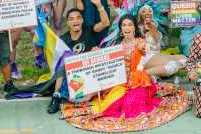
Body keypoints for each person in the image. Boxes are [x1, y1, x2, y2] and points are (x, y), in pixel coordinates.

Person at [59, 15, 190, 132]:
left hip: (139, 81)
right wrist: (97, 51)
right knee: (112, 100)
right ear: (121, 29)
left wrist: (146, 48)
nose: (126, 27)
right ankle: (89, 95)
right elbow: (109, 64)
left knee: (131, 104)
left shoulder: (140, 42)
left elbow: (146, 46)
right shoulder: (116, 45)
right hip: (122, 81)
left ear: (134, 28)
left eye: (129, 25)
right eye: (124, 25)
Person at [47, 4, 108, 114]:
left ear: (82, 20)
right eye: (71, 19)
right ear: (68, 23)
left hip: (89, 72)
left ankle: (82, 95)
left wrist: (99, 5)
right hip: (73, 75)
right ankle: (56, 96)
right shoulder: (63, 39)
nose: (75, 20)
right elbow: (59, 65)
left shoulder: (88, 30)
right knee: (62, 63)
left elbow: (105, 23)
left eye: (78, 18)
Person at [4, 0, 37, 79]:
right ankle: (12, 66)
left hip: (27, 12)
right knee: (13, 41)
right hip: (14, 13)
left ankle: (39, 59)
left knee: (37, 33)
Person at [136, 5, 187, 77]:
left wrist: (152, 28)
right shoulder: (137, 28)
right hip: (146, 57)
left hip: (157, 55)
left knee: (184, 59)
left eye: (149, 11)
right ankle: (141, 74)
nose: (147, 13)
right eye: (144, 12)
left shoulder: (154, 26)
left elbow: (156, 37)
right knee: (172, 65)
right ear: (140, 15)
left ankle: (155, 71)